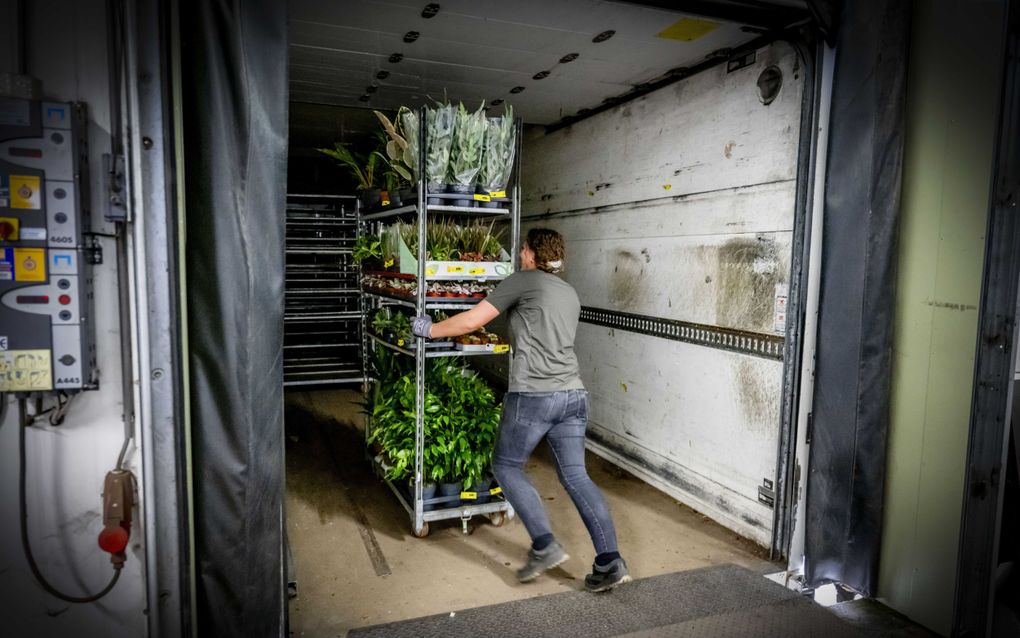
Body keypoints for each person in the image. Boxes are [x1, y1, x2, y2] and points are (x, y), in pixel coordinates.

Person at [411, 227, 631, 592]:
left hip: (534, 395)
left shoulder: (524, 280)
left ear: (530, 254)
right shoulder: (569, 293)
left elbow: (471, 322)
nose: (519, 253)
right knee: (577, 477)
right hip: (573, 395)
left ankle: (544, 545)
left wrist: (429, 329)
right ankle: (610, 561)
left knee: (506, 466)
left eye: (522, 249)